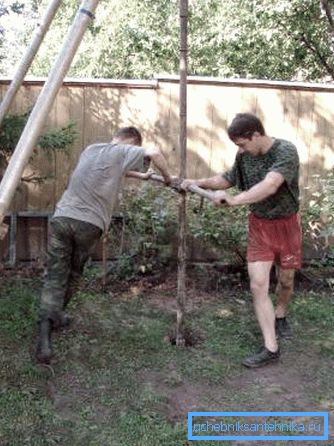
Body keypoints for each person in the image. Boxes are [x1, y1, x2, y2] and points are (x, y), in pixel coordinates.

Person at [36, 126, 172, 364]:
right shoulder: (125, 150)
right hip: (88, 225)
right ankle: (52, 321)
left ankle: (49, 325)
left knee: (55, 275)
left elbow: (115, 171)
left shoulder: (92, 149)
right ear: (132, 142)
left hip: (61, 218)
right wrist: (169, 179)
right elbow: (154, 151)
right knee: (74, 274)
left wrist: (142, 176)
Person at [181, 113, 301, 368]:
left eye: (243, 143)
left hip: (288, 226)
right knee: (258, 285)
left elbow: (270, 185)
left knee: (286, 281)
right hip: (260, 227)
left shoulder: (286, 152)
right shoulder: (244, 156)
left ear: (256, 135)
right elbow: (227, 179)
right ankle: (271, 348)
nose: (241, 149)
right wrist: (197, 182)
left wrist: (234, 200)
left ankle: (280, 312)